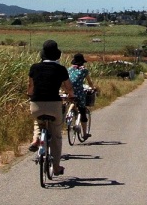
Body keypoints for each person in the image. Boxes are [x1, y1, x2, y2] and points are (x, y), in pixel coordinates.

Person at [27, 40, 74, 176]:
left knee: (37, 121)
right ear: (56, 55)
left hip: (37, 104)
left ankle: (36, 139)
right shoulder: (61, 69)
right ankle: (56, 167)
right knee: (56, 136)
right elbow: (68, 87)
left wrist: (30, 95)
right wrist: (71, 96)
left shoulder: (34, 68)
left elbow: (30, 87)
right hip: (54, 105)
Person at [68, 53, 96, 141]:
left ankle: (69, 113)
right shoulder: (84, 70)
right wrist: (92, 88)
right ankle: (84, 133)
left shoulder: (69, 69)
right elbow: (89, 82)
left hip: (69, 91)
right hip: (79, 92)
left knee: (72, 102)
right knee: (82, 111)